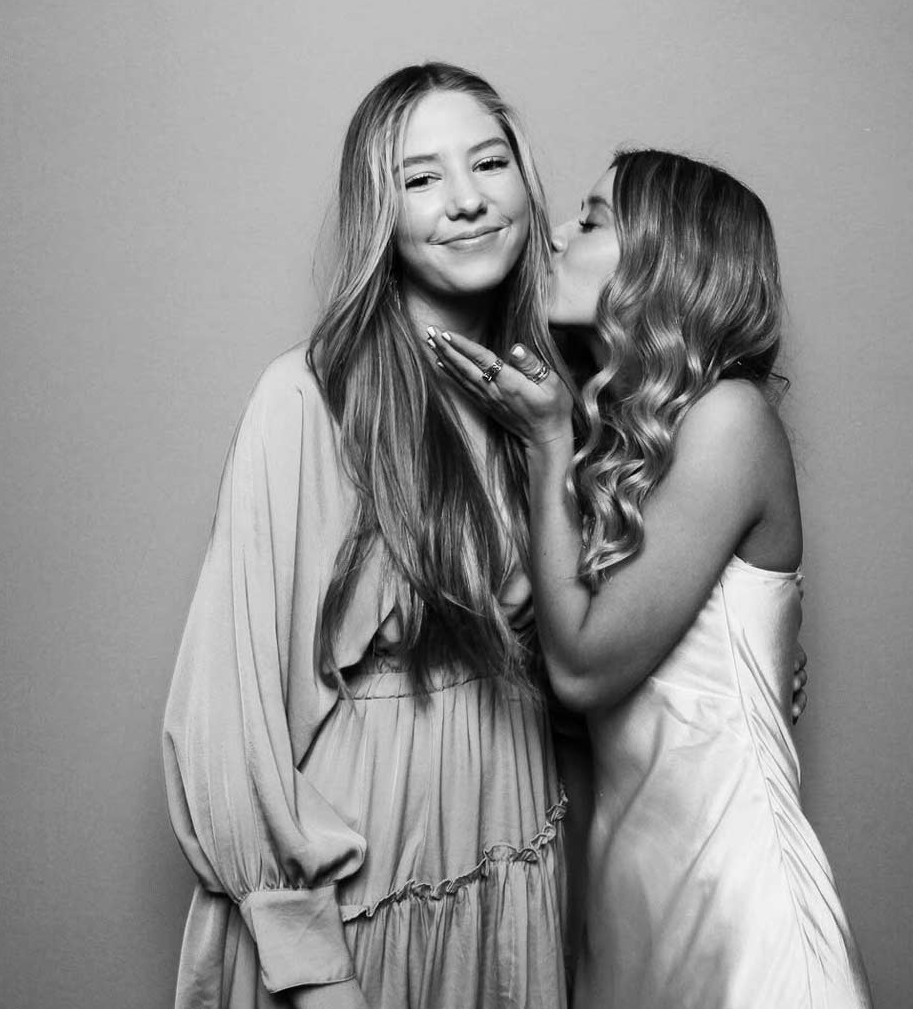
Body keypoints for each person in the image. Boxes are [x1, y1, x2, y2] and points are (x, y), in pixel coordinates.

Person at [161, 64, 571, 1009]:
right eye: (421, 178)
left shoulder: (545, 397)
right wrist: (313, 968)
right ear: (378, 211)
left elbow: (574, 652)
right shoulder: (307, 400)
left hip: (508, 852)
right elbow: (231, 712)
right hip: (375, 880)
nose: (467, 202)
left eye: (489, 162)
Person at [426, 149, 874, 1008]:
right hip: (633, 905)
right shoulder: (632, 454)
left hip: (739, 907)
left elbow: (586, 670)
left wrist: (548, 443)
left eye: (592, 218)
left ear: (667, 261)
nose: (558, 233)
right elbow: (585, 699)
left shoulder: (730, 420)